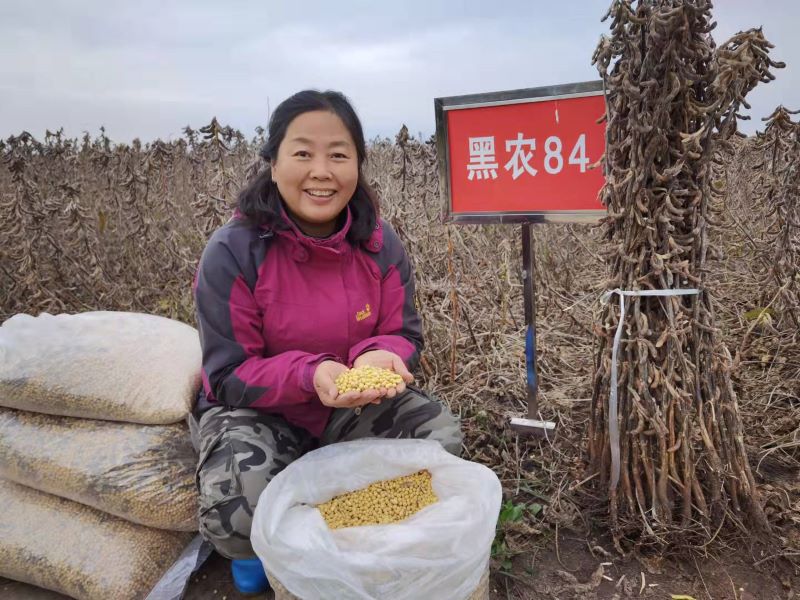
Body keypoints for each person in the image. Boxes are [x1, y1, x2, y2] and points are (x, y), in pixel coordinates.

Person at [189, 89, 462, 594]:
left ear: (358, 164)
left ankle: (349, 547)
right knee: (237, 511)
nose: (321, 171)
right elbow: (228, 374)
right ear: (272, 164)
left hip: (353, 403)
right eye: (302, 153)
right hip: (261, 410)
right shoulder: (232, 252)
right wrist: (311, 375)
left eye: (339, 154)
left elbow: (402, 331)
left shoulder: (380, 244)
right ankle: (255, 555)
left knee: (440, 444)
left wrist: (381, 356)